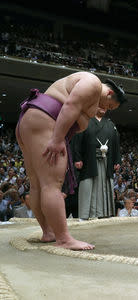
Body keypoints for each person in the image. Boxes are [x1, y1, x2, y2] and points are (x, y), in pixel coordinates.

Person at [15, 72, 126, 250]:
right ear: (109, 94)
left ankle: (48, 232)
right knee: (52, 185)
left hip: (32, 122)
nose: (105, 110)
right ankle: (64, 239)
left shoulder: (90, 90)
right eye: (109, 106)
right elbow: (70, 105)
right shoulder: (93, 83)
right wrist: (57, 139)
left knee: (37, 184)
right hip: (46, 122)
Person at [73, 107, 121, 220]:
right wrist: (77, 158)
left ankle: (104, 213)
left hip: (107, 160)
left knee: (105, 185)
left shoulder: (110, 124)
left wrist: (117, 160)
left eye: (105, 106)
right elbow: (77, 140)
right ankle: (86, 214)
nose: (103, 108)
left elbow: (116, 144)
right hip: (89, 159)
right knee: (88, 185)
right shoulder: (85, 121)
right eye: (100, 105)